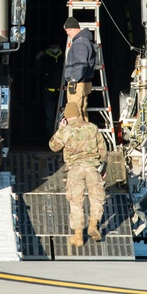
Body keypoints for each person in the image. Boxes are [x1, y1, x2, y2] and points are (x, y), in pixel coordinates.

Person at [49, 102, 108, 247]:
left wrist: (60, 130)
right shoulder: (92, 128)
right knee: (97, 199)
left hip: (75, 169)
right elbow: (103, 151)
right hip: (92, 168)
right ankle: (93, 224)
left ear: (67, 117)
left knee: (76, 202)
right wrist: (103, 168)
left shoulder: (66, 130)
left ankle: (78, 236)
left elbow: (53, 146)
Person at [62, 16, 97, 115]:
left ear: (76, 28)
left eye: (69, 30)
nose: (68, 33)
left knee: (74, 113)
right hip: (84, 82)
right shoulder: (85, 40)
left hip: (78, 83)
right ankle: (84, 130)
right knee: (82, 111)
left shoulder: (80, 42)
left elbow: (81, 63)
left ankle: (76, 131)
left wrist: (73, 80)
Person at [35, 43, 64, 137]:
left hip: (62, 90)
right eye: (52, 46)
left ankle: (62, 137)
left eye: (56, 46)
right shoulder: (45, 57)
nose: (54, 48)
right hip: (49, 91)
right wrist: (37, 59)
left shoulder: (64, 56)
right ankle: (52, 138)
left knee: (63, 116)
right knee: (50, 116)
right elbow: (37, 71)